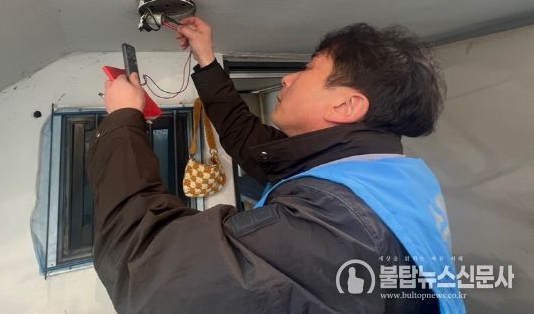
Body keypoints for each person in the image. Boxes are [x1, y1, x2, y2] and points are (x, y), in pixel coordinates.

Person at [86, 16, 465, 314]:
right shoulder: (370, 170)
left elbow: (150, 268)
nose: (287, 78)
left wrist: (122, 119)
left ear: (346, 106)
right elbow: (254, 145)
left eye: (309, 69)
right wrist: (206, 59)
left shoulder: (337, 225)